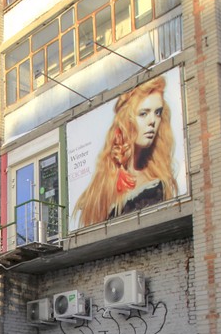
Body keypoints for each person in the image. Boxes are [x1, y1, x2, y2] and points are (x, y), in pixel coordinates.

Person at [74, 75, 178, 227]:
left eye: (157, 113)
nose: (152, 122)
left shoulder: (157, 182)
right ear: (126, 120)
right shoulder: (103, 184)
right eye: (143, 113)